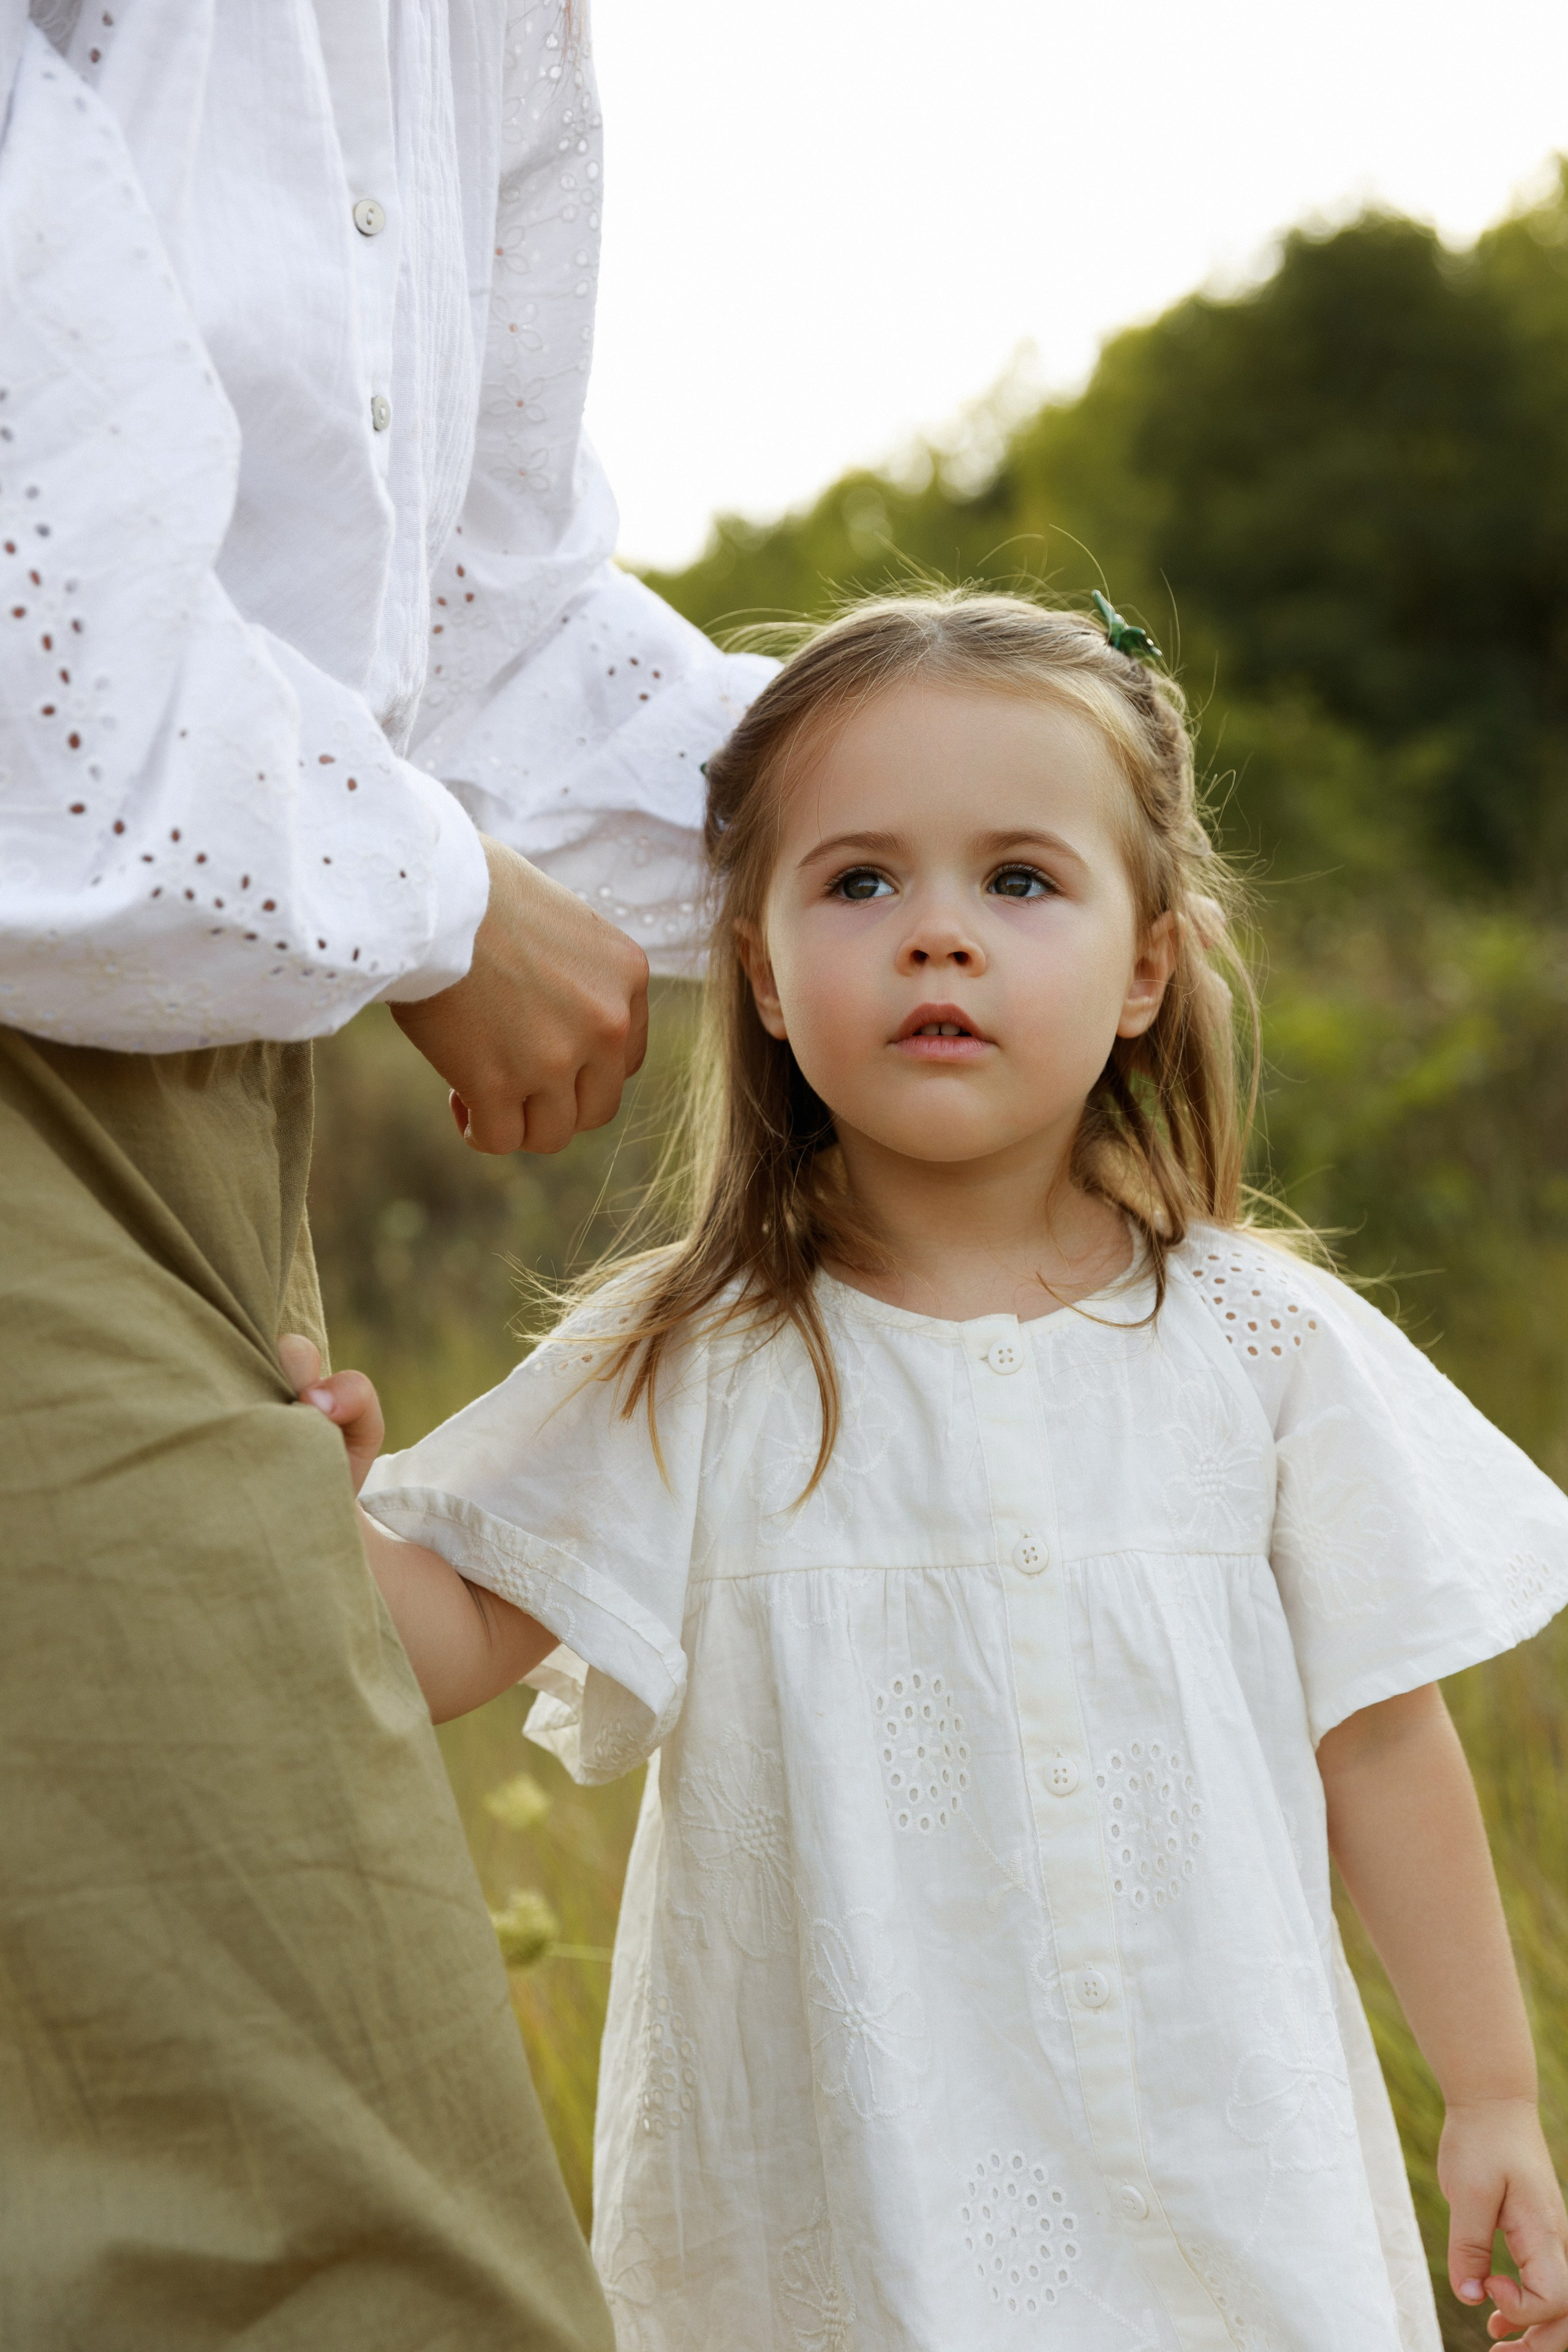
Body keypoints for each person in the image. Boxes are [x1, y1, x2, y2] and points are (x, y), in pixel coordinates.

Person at [315, 592, 1568, 2350]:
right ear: (757, 963)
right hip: (854, 2235)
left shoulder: (1265, 1348)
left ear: (1146, 967)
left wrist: (1495, 2098)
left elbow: (1381, 1734)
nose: (939, 941)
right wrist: (301, 1490)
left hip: (1229, 2192)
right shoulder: (688, 1361)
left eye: (1021, 882)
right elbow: (433, 1636)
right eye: (860, 884)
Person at [0, 2, 769, 2345]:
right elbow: (61, 682)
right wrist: (440, 901)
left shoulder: (491, 44)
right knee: (326, 2253)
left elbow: (474, 633)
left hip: (208, 1091)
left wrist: (940, 811)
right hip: (59, 1013)